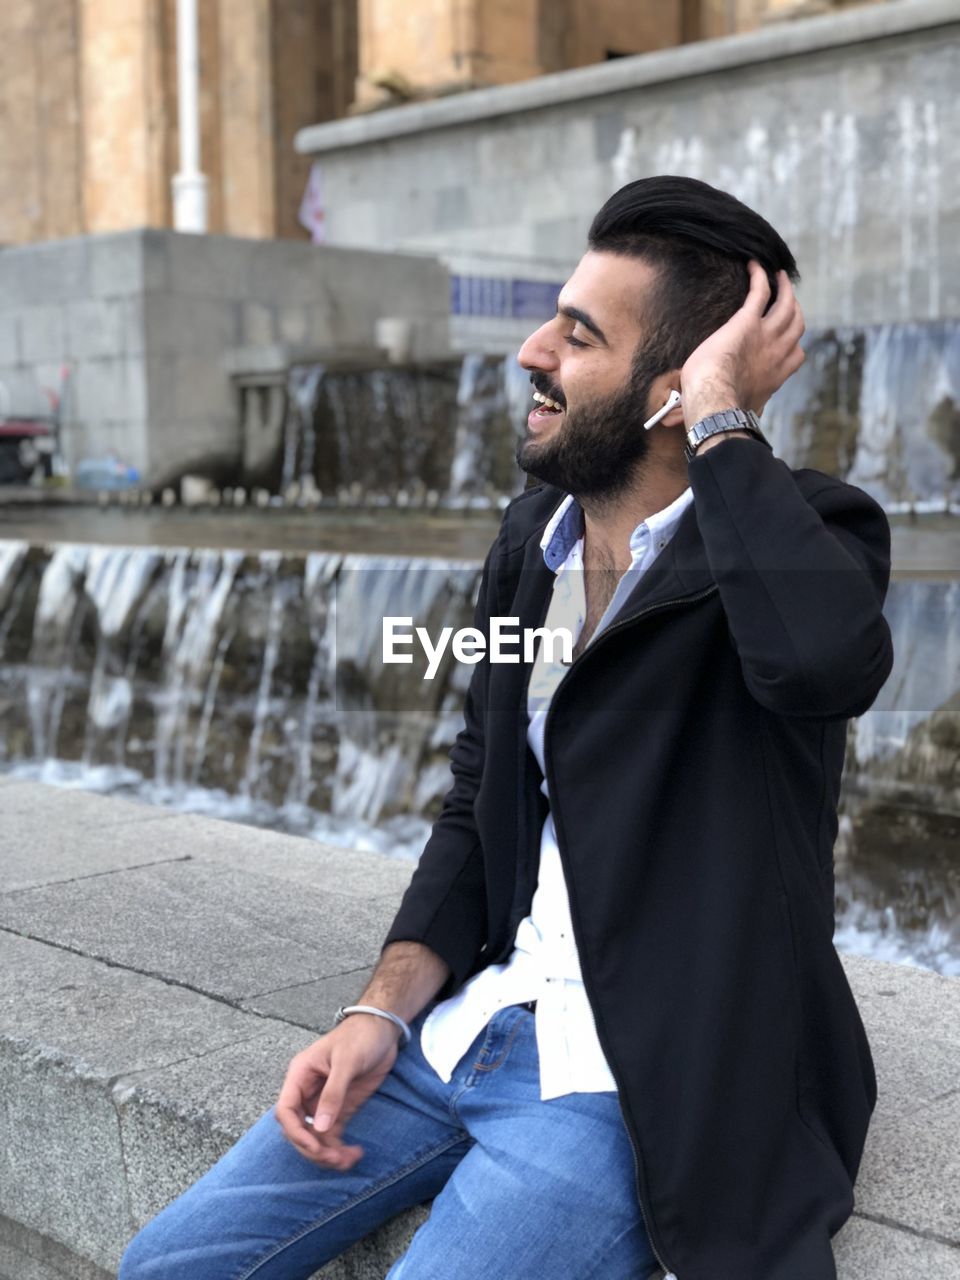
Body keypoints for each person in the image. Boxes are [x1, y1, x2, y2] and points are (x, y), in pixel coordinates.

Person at [118, 176, 893, 1280]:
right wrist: (377, 1009)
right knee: (164, 1266)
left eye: (577, 335)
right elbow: (479, 798)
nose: (532, 350)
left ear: (673, 386)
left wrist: (724, 418)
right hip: (458, 1037)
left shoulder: (805, 534)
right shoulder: (533, 544)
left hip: (625, 1086)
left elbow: (823, 661)